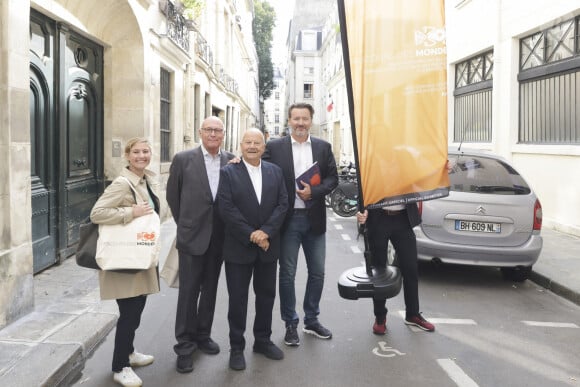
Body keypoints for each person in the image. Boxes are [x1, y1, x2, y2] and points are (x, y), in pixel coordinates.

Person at [263, 102, 338, 346]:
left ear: (311, 120)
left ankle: (312, 319)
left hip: (314, 219)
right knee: (287, 274)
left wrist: (314, 191)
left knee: (317, 272)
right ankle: (290, 323)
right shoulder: (274, 147)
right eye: (296, 119)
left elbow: (333, 179)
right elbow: (254, 165)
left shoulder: (323, 147)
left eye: (305, 119)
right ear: (289, 121)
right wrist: (234, 162)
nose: (300, 123)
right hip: (288, 221)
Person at [166, 116, 235, 373]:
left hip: (220, 238)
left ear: (223, 134)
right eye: (209, 130)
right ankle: (184, 346)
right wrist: (186, 224)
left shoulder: (231, 160)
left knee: (210, 290)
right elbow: (173, 196)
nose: (214, 134)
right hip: (192, 236)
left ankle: (202, 336)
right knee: (188, 292)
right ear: (200, 132)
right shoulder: (184, 160)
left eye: (218, 130)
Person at [90, 137, 161, 387]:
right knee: (130, 314)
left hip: (138, 256)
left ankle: (129, 352)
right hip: (124, 260)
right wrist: (131, 212)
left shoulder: (144, 180)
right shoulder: (122, 183)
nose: (142, 156)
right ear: (128, 156)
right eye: (136, 152)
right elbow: (97, 213)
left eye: (146, 151)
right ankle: (120, 366)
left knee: (136, 312)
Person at [217, 128, 289, 370]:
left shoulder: (275, 172)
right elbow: (226, 208)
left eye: (257, 142)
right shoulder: (228, 172)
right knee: (238, 299)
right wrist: (253, 235)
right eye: (247, 142)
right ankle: (236, 347)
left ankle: (262, 340)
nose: (252, 146)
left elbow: (283, 204)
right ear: (240, 145)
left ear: (264, 146)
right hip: (239, 246)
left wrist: (266, 231)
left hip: (269, 246)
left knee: (266, 296)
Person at [356, 204, 435, 334]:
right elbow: (364, 186)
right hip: (378, 217)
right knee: (378, 272)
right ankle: (380, 317)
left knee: (411, 269)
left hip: (403, 218)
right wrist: (361, 211)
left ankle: (412, 314)